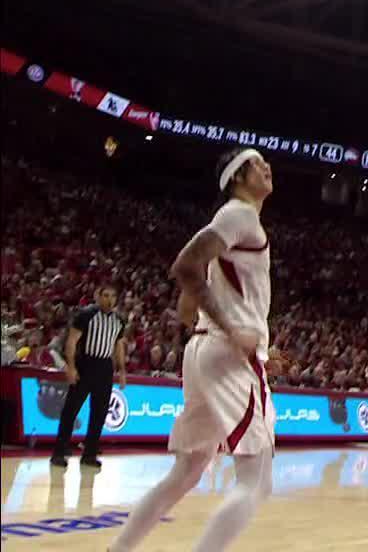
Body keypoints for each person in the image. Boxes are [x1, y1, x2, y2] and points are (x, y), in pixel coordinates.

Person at [110, 148, 276, 552]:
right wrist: (233, 326)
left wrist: (215, 317)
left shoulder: (229, 223)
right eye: (256, 163)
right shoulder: (240, 214)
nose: (267, 167)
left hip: (202, 350)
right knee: (256, 480)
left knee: (187, 470)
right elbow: (184, 266)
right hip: (226, 354)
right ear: (236, 177)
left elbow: (188, 296)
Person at [50, 282, 127, 468]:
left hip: (105, 368)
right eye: (106, 295)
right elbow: (71, 342)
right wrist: (71, 367)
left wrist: (122, 370)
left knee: (99, 413)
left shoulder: (119, 320)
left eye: (112, 296)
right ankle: (59, 452)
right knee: (71, 410)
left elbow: (118, 346)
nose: (109, 300)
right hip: (85, 364)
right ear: (98, 296)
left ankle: (89, 454)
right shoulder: (86, 315)